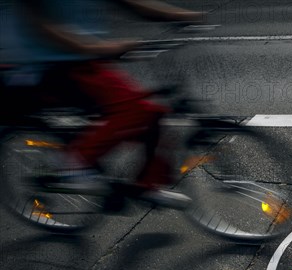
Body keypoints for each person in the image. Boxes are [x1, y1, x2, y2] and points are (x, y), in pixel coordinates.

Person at [0, 0, 204, 208]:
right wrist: (97, 47)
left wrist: (179, 15)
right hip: (48, 66)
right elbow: (39, 24)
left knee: (153, 113)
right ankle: (73, 166)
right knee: (132, 110)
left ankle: (146, 185)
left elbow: (130, 3)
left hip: (83, 61)